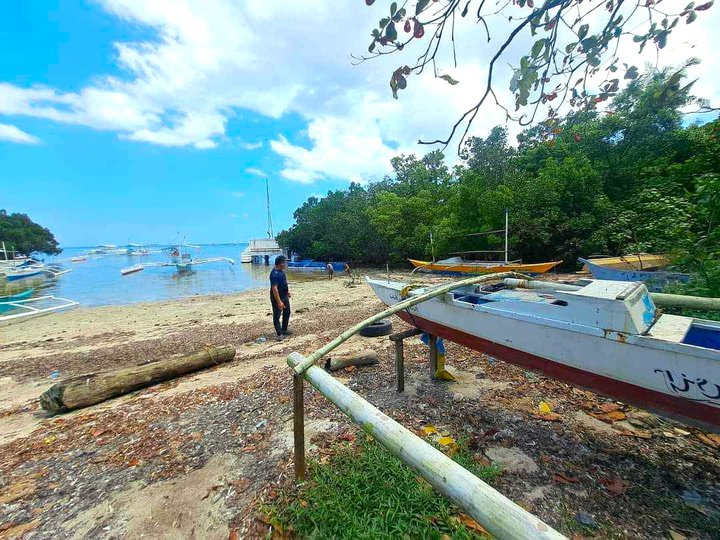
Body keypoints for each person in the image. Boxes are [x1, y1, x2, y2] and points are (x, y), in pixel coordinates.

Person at [270, 255, 291, 340]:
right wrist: (279, 302)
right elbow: (274, 289)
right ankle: (279, 334)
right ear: (281, 264)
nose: (286, 264)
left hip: (284, 295)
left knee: (287, 312)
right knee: (277, 315)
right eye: (285, 262)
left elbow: (283, 283)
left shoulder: (281, 271)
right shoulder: (274, 274)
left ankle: (284, 330)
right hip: (277, 297)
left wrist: (287, 291)